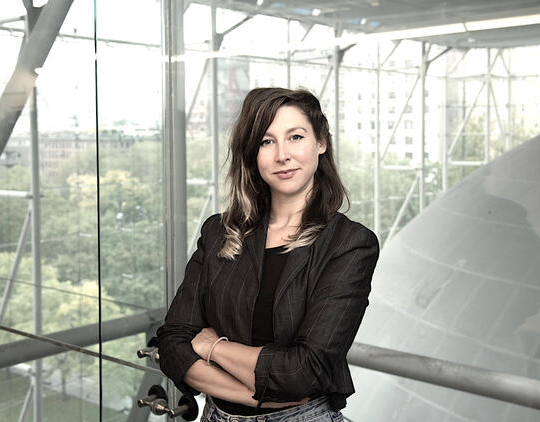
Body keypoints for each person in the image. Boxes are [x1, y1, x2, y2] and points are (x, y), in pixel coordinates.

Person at [156, 87, 379, 422]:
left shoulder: (349, 244)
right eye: (266, 141)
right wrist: (256, 396)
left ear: (321, 143)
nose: (282, 155)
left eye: (295, 137)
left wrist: (212, 347)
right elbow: (173, 343)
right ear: (252, 154)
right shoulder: (219, 231)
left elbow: (305, 372)